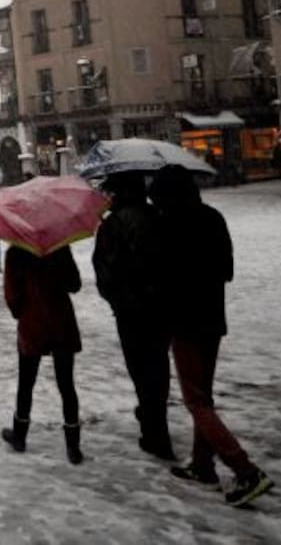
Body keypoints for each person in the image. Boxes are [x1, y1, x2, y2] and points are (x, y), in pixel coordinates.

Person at [149, 165, 274, 507]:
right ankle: (202, 465)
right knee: (203, 394)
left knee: (196, 400)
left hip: (184, 323)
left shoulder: (167, 226)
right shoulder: (212, 218)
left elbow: (160, 276)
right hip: (212, 320)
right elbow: (227, 270)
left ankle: (245, 470)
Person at [93, 171, 174, 461]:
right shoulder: (159, 217)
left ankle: (154, 430)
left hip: (130, 310)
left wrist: (118, 299)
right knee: (158, 365)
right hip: (161, 306)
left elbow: (104, 270)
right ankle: (156, 421)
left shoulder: (113, 224)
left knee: (140, 368)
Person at [1, 244, 84, 463]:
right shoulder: (59, 247)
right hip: (61, 321)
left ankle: (20, 435)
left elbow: (12, 296)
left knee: (26, 382)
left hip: (32, 322)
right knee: (66, 384)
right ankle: (73, 445)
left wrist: (21, 311)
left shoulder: (16, 252)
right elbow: (75, 284)